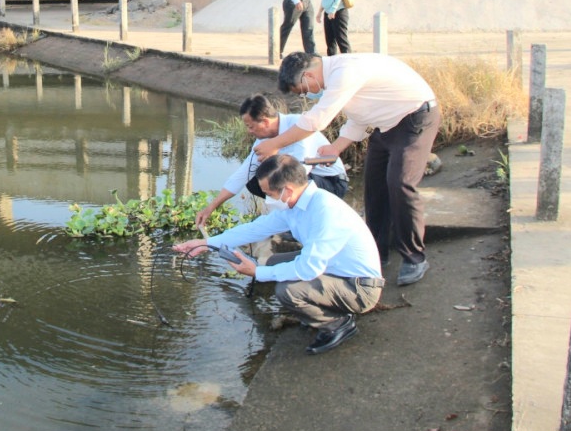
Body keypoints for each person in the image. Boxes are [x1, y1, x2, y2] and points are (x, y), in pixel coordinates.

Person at [254, 52, 441, 287]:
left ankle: (414, 257)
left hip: (415, 118)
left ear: (309, 75)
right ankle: (377, 252)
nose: (308, 95)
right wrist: (336, 148)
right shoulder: (338, 78)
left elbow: (316, 120)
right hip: (386, 127)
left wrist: (274, 144)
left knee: (400, 183)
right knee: (374, 189)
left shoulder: (345, 72)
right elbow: (360, 117)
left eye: (303, 90)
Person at [175, 155, 384, 355]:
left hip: (360, 287)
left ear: (288, 190)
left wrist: (257, 272)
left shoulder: (326, 212)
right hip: (334, 270)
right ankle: (322, 309)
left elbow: (308, 269)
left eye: (270, 193)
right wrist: (207, 243)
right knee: (273, 263)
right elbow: (254, 229)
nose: (267, 199)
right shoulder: (297, 204)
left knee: (288, 291)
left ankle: (338, 324)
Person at [195, 94, 348, 230]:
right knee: (254, 180)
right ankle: (288, 219)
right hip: (302, 181)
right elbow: (242, 175)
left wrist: (275, 156)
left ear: (265, 122)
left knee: (282, 178)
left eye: (251, 126)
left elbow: (300, 173)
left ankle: (301, 222)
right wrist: (210, 208)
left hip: (330, 182)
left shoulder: (299, 126)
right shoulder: (263, 140)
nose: (249, 131)